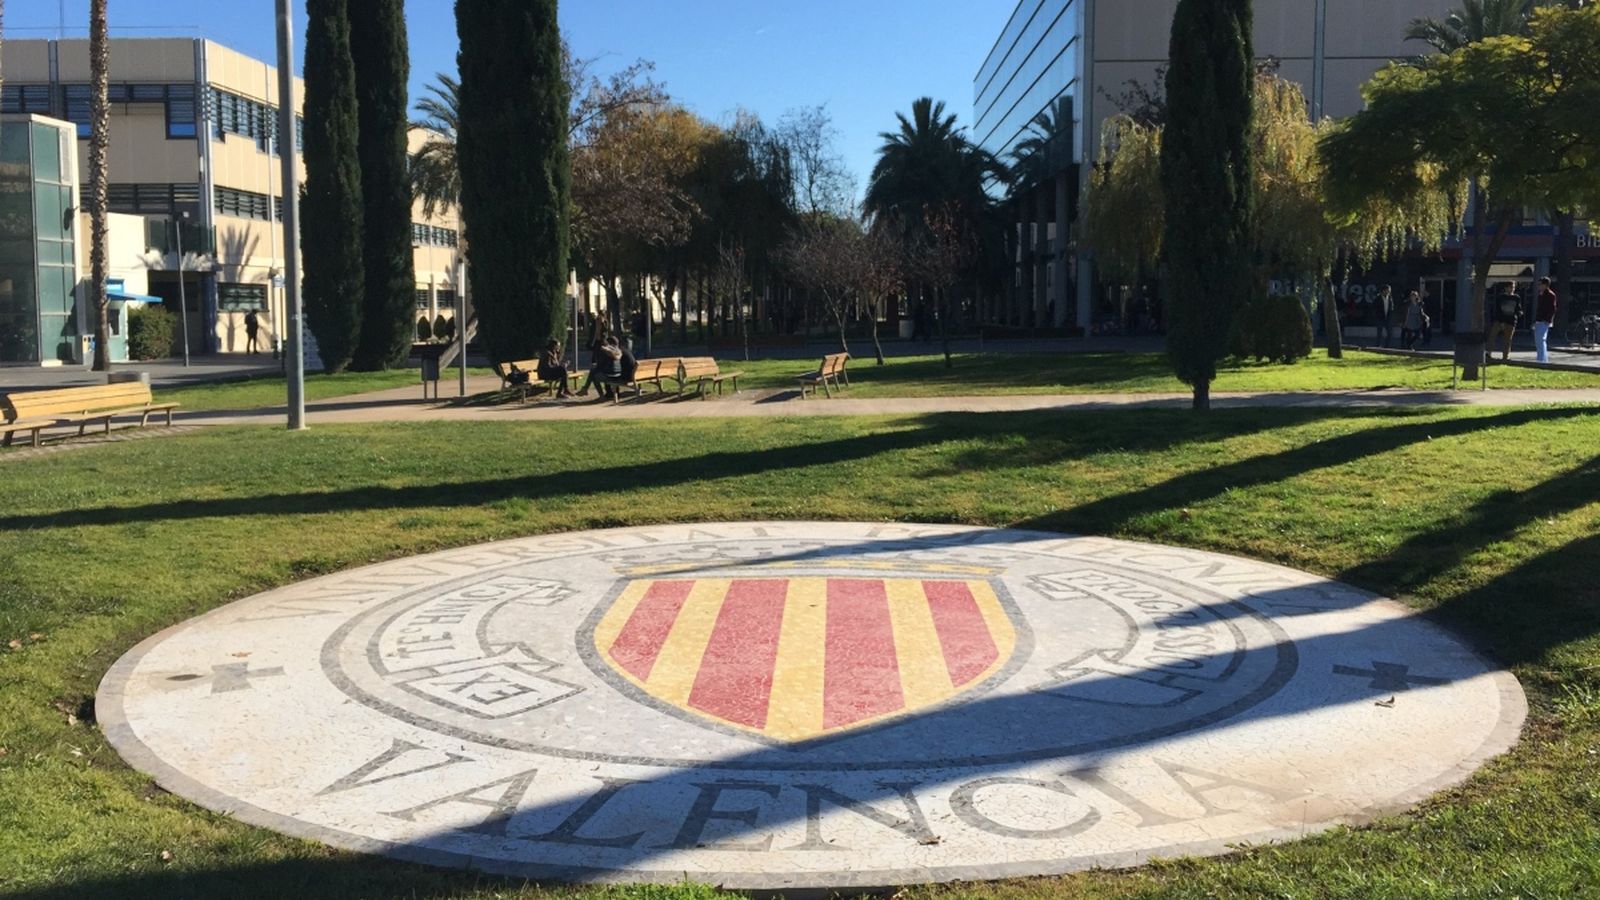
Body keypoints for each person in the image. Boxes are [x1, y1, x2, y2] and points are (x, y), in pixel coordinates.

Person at [1488, 283, 1520, 362]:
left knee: (1507, 340)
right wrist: (1501, 321)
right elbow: (1498, 310)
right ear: (1506, 288)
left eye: (1513, 287)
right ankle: (1489, 353)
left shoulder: (1516, 298)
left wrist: (1519, 313)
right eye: (1510, 287)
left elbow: (1518, 308)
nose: (1512, 289)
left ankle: (1505, 357)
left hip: (1511, 321)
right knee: (1492, 336)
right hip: (1500, 320)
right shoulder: (1501, 297)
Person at [1535, 275, 1558, 363]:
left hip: (1544, 321)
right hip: (1540, 320)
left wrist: (1547, 320)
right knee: (1539, 340)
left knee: (1540, 340)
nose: (1539, 286)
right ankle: (1543, 359)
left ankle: (1541, 360)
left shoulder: (1550, 295)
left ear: (1545, 285)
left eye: (1540, 284)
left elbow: (1552, 309)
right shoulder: (1541, 294)